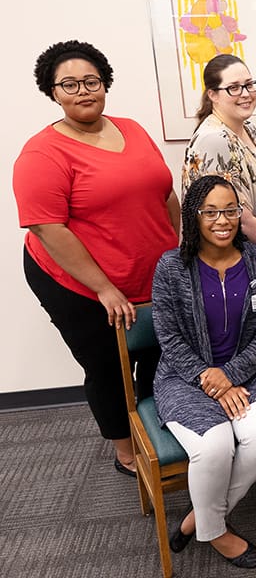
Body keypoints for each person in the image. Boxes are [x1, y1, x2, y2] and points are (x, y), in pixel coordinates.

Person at [12, 40, 180, 476]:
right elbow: (48, 228)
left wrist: (177, 249)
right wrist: (104, 288)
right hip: (80, 284)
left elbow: (163, 190)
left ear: (105, 83)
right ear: (52, 91)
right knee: (107, 364)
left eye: (92, 80)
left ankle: (154, 424)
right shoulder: (41, 153)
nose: (83, 90)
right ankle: (127, 453)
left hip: (150, 274)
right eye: (69, 84)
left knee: (161, 352)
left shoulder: (133, 128)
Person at [152, 175, 256, 569]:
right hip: (184, 376)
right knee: (214, 445)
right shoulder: (172, 266)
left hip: (247, 374)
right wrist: (208, 378)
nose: (222, 220)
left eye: (230, 210)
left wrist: (230, 373)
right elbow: (168, 335)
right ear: (195, 216)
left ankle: (200, 518)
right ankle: (217, 532)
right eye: (210, 212)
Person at [182, 54, 256, 273]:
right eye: (233, 88)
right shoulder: (213, 139)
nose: (245, 94)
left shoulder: (252, 131)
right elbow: (241, 219)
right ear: (212, 94)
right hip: (237, 270)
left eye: (249, 85)